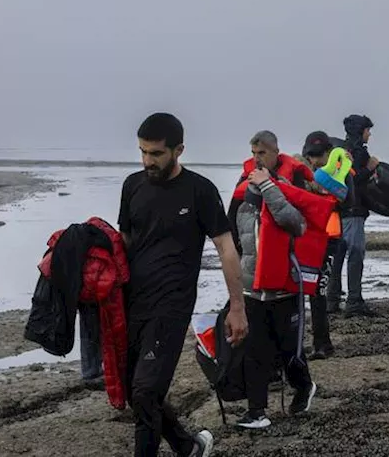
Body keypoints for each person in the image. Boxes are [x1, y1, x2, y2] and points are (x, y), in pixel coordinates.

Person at [121, 113, 242, 457]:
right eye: (143, 152)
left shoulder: (199, 190)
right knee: (137, 392)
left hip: (172, 305)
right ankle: (188, 447)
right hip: (134, 302)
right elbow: (125, 243)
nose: (148, 161)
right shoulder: (132, 186)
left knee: (145, 392)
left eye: (156, 153)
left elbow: (226, 248)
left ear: (179, 150)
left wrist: (237, 308)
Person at [231, 131, 319, 429]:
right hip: (253, 286)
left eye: (262, 152)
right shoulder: (243, 189)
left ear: (275, 152)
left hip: (285, 285)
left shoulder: (290, 182)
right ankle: (257, 412)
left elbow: (296, 223)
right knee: (254, 350)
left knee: (288, 349)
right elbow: (232, 232)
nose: (257, 158)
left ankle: (304, 386)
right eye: (253, 151)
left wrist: (269, 187)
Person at [330, 114, 379, 317]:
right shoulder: (358, 153)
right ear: (360, 131)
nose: (370, 134)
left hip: (337, 211)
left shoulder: (338, 150)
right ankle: (354, 301)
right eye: (368, 130)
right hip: (354, 211)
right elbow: (353, 180)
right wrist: (370, 168)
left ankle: (331, 300)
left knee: (337, 255)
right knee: (356, 254)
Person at [299, 131, 341, 359]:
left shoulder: (340, 173)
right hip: (308, 239)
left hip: (329, 240)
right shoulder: (305, 173)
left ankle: (323, 345)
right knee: (303, 291)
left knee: (318, 292)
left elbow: (349, 201)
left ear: (328, 153)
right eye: (311, 156)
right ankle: (310, 343)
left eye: (319, 155)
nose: (315, 160)